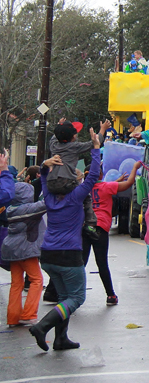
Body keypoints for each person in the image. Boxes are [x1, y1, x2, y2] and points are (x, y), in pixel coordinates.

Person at [30, 121, 108, 352]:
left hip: (48, 256)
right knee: (76, 298)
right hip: (68, 255)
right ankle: (42, 327)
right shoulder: (76, 196)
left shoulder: (49, 198)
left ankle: (61, 339)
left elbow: (43, 177)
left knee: (64, 296)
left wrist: (45, 165)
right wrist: (95, 148)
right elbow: (93, 175)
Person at [83, 160, 141, 306]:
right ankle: (110, 295)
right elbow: (129, 183)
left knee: (80, 263)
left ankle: (72, 293)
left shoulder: (82, 189)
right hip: (100, 227)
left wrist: (116, 181)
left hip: (84, 228)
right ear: (101, 174)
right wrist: (134, 167)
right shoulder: (107, 187)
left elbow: (97, 189)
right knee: (102, 263)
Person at [2, 174, 46, 326]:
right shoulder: (27, 209)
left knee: (16, 283)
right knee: (37, 280)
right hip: (26, 249)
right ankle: (28, 314)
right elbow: (46, 204)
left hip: (12, 249)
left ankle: (13, 317)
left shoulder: (11, 209)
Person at [47, 119, 100, 241]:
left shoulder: (54, 146)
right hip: (66, 181)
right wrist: (97, 138)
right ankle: (90, 222)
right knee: (85, 196)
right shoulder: (74, 147)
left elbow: (53, 138)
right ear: (73, 137)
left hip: (51, 182)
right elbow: (91, 145)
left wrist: (59, 125)